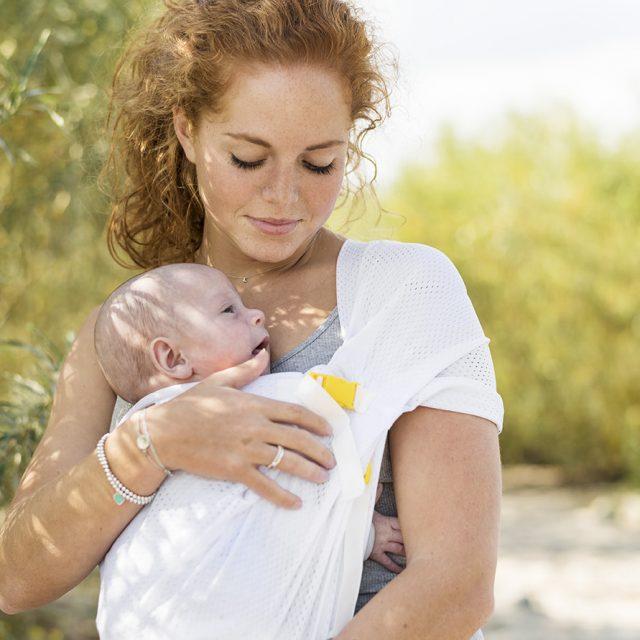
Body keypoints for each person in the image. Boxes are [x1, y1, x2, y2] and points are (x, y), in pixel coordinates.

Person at [0, 1, 503, 638]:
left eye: (319, 162)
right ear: (187, 130)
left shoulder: (406, 293)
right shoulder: (121, 332)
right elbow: (17, 576)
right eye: (248, 159)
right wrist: (153, 443)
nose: (284, 197)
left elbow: (456, 587)